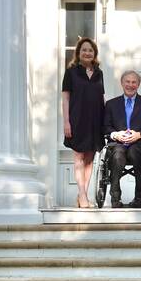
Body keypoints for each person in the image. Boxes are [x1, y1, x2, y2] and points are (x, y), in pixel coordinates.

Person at [102, 70, 141, 208]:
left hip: (139, 144)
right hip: (117, 144)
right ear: (122, 83)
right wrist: (116, 134)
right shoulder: (111, 104)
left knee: (135, 152)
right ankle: (115, 197)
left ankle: (140, 198)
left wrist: (139, 135)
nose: (130, 85)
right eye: (127, 82)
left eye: (134, 82)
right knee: (118, 155)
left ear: (138, 84)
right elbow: (105, 126)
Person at [61, 37, 105, 208]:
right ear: (78, 53)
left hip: (95, 119)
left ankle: (83, 195)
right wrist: (66, 122)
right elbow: (65, 98)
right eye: (84, 50)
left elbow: (101, 97)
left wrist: (105, 121)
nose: (87, 53)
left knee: (90, 158)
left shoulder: (99, 73)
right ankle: (82, 195)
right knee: (79, 156)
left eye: (90, 50)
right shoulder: (71, 72)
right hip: (77, 118)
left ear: (94, 54)